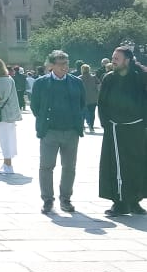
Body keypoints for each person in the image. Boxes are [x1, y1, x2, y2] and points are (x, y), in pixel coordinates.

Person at [30, 50, 85, 214]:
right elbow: (35, 105)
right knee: (46, 166)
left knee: (69, 167)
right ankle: (47, 200)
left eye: (66, 63)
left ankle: (65, 199)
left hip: (71, 131)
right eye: (61, 64)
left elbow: (82, 103)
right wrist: (44, 122)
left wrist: (77, 123)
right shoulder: (41, 83)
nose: (64, 67)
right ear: (51, 65)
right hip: (50, 131)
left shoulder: (76, 82)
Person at [97, 45, 147, 216]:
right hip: (115, 129)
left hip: (137, 129)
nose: (113, 61)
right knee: (116, 167)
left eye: (117, 59)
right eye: (113, 58)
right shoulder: (109, 78)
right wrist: (106, 124)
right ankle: (118, 203)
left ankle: (134, 201)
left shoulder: (140, 77)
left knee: (138, 165)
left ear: (127, 60)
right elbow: (102, 103)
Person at [0, 57, 22, 173]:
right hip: (10, 114)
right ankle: (7, 163)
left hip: (2, 114)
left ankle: (7, 166)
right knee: (10, 138)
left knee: (4, 139)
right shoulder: (9, 78)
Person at [80, 63, 100, 133]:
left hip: (83, 99)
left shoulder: (79, 78)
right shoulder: (94, 77)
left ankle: (82, 127)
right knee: (92, 113)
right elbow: (98, 87)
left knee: (82, 113)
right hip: (93, 99)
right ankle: (91, 126)